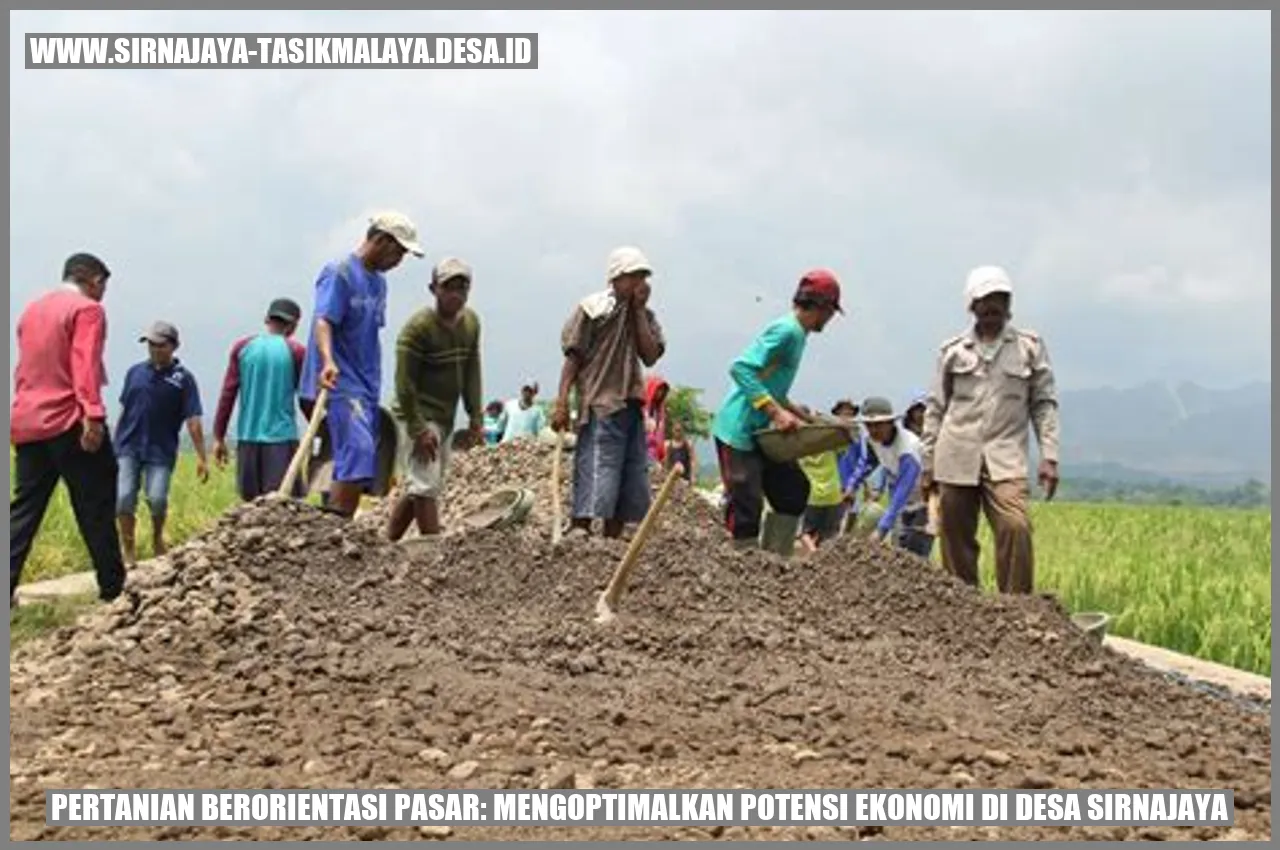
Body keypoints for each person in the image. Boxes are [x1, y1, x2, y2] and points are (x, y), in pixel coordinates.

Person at [921, 265, 1061, 594]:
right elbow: (936, 408)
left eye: (999, 300)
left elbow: (1043, 403)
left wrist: (1049, 456)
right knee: (954, 534)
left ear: (1008, 304)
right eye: (985, 301)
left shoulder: (1028, 347)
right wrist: (927, 465)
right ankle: (964, 607)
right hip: (956, 455)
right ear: (972, 306)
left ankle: (1016, 609)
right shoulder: (953, 351)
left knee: (1015, 526)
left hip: (1005, 456)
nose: (992, 308)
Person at [10, 253, 131, 608]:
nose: (103, 294)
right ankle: (114, 589)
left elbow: (25, 368)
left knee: (24, 510)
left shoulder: (32, 310)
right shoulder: (86, 310)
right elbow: (84, 363)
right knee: (95, 504)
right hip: (69, 420)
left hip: (29, 421)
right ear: (93, 280)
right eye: (103, 286)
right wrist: (92, 415)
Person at [299, 211, 424, 518]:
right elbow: (324, 321)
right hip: (339, 379)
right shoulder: (339, 273)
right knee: (358, 449)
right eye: (399, 252)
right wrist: (327, 360)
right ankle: (337, 525)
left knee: (358, 459)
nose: (399, 261)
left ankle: (337, 522)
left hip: (365, 382)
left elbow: (370, 332)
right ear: (380, 241)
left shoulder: (379, 284)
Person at [710, 269, 843, 555]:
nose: (831, 319)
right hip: (738, 432)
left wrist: (805, 417)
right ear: (822, 306)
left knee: (793, 491)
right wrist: (776, 413)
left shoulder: (799, 336)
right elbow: (741, 368)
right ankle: (741, 567)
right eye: (831, 311)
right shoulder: (787, 331)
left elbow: (775, 388)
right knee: (746, 503)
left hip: (761, 433)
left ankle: (774, 563)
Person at [550, 246, 666, 539]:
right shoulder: (594, 309)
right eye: (634, 277)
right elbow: (573, 358)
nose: (641, 284)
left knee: (629, 476)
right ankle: (581, 528)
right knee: (598, 468)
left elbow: (650, 355)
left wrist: (638, 311)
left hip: (630, 404)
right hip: (601, 402)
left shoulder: (645, 317)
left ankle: (611, 540)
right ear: (617, 278)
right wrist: (562, 400)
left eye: (643, 277)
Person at [386, 257, 484, 540]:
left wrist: (475, 415)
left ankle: (388, 543)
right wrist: (418, 428)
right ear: (434, 289)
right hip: (415, 412)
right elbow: (404, 384)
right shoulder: (418, 329)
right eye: (449, 287)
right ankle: (434, 548)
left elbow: (471, 369)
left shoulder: (471, 323)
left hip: (445, 416)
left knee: (424, 484)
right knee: (425, 485)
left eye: (462, 288)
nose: (456, 294)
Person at [114, 321, 209, 564]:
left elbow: (193, 419)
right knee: (124, 497)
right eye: (151, 344)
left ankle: (157, 537)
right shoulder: (135, 372)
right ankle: (128, 549)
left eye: (160, 345)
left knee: (157, 498)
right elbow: (124, 409)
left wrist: (201, 456)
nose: (154, 349)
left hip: (160, 449)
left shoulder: (183, 379)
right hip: (128, 445)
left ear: (173, 346)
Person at [212, 298, 308, 501]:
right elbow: (305, 398)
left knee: (251, 505)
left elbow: (228, 394)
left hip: (248, 437)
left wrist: (219, 436)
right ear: (293, 326)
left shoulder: (243, 348)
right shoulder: (296, 352)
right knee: (283, 503)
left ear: (267, 320)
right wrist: (320, 429)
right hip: (281, 438)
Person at [845, 396, 932, 556]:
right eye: (869, 426)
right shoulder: (873, 440)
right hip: (900, 503)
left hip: (922, 503)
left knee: (917, 555)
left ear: (890, 423)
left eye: (878, 425)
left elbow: (903, 490)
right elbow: (867, 462)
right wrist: (852, 486)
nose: (873, 431)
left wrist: (882, 529)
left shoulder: (908, 448)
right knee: (898, 550)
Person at [798, 444, 844, 552]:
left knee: (806, 533)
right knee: (830, 535)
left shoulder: (800, 451)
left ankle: (814, 553)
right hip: (833, 495)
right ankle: (824, 558)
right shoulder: (830, 447)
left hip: (812, 496)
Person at [643, 375, 671, 465]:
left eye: (663, 391)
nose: (660, 393)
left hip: (653, 451)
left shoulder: (659, 412)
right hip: (641, 448)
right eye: (659, 390)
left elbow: (660, 433)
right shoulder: (643, 409)